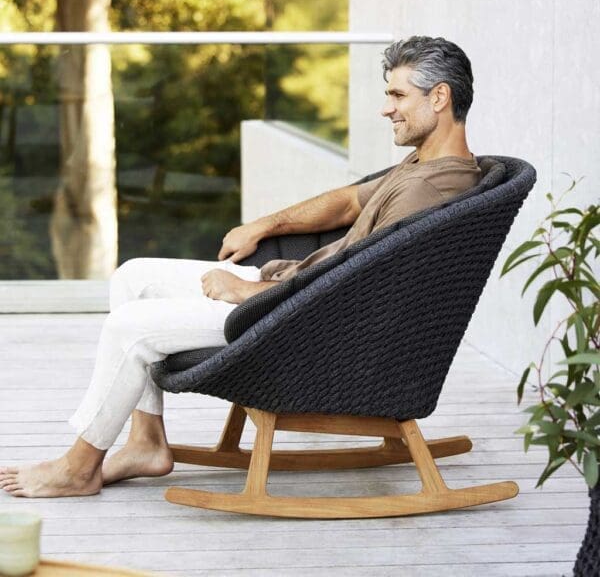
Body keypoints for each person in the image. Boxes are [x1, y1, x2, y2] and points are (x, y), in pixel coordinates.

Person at [0, 35, 482, 498]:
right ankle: (145, 443)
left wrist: (247, 293)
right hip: (296, 290)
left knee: (131, 327)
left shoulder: (429, 191)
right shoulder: (422, 165)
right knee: (134, 277)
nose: (386, 107)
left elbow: (366, 288)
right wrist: (264, 225)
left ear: (439, 97)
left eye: (397, 95)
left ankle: (79, 468)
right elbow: (346, 205)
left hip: (300, 320)